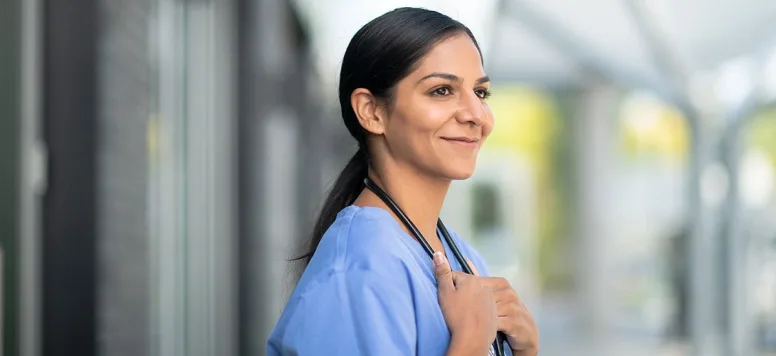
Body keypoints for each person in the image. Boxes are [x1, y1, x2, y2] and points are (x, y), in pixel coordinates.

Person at [267, 7, 539, 356]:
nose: (477, 115)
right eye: (442, 90)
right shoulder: (357, 274)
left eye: (481, 93)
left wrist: (526, 349)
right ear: (371, 111)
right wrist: (470, 342)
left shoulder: (460, 255)